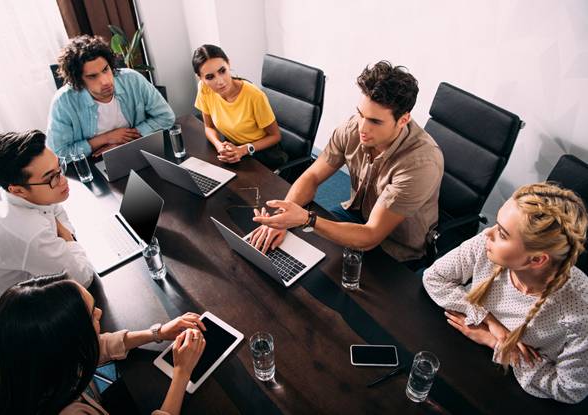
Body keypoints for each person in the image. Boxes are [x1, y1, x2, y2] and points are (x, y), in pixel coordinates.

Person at [251, 61, 443, 269]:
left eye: (375, 121)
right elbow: (312, 176)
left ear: (403, 120)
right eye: (361, 114)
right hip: (355, 214)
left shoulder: (421, 163)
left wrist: (306, 219)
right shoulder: (353, 128)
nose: (362, 127)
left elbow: (371, 236)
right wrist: (283, 219)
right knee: (291, 256)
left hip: (395, 247)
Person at [423, 182, 588, 403]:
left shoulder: (580, 309)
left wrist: (498, 345)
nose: (488, 233)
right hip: (456, 348)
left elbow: (569, 389)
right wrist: (488, 320)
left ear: (537, 259)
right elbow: (434, 277)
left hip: (509, 389)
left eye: (502, 233)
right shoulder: (487, 243)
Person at [0, 274, 205, 414]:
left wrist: (157, 332)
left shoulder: (35, 365)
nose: (100, 313)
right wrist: (182, 372)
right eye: (92, 315)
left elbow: (98, 345)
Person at [0, 130, 93, 339]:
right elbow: (83, 278)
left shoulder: (11, 193)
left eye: (59, 168)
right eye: (52, 178)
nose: (63, 180)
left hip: (16, 296)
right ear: (18, 190)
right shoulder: (30, 234)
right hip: (17, 331)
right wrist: (67, 240)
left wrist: (63, 237)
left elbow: (57, 211)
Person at [47, 35, 175, 159]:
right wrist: (106, 138)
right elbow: (58, 154)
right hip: (94, 160)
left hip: (137, 148)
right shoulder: (63, 102)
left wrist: (123, 142)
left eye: (105, 70)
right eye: (92, 76)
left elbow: (166, 117)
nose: (105, 81)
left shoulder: (132, 79)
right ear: (78, 80)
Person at [192, 44, 288, 170]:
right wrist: (219, 146)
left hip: (263, 154)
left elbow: (275, 136)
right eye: (210, 77)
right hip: (234, 150)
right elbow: (209, 127)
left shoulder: (254, 95)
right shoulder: (204, 89)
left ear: (228, 64)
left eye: (222, 71)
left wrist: (244, 149)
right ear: (200, 78)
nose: (220, 81)